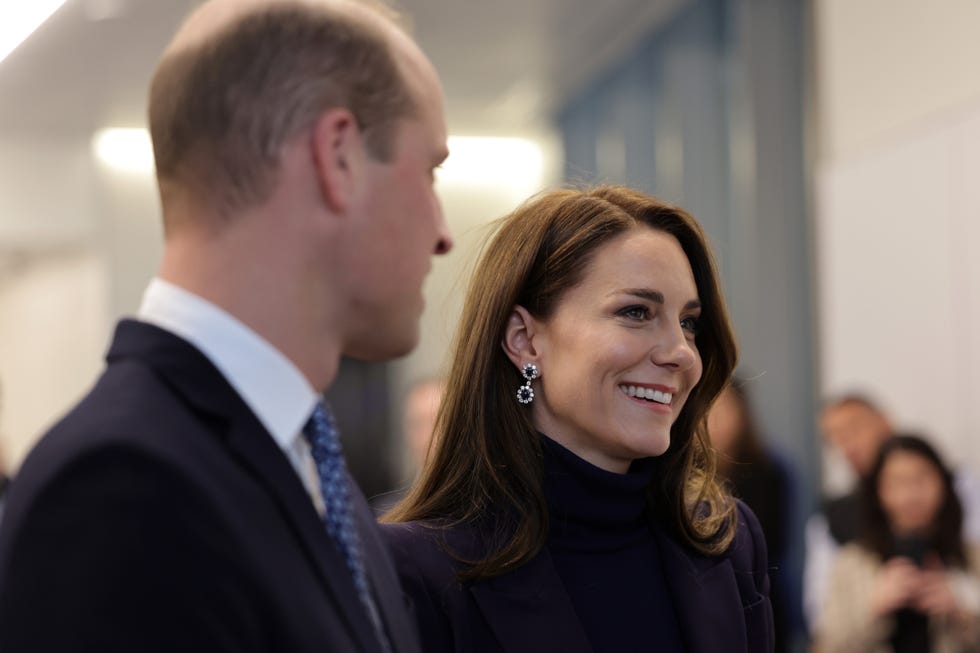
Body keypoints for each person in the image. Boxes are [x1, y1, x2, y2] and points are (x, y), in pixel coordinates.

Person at [0, 1, 452, 651]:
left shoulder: (307, 463)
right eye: (430, 172)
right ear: (338, 157)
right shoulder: (123, 491)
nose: (443, 232)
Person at [381, 186, 774, 653]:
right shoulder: (410, 571)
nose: (681, 353)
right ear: (525, 340)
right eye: (636, 312)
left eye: (688, 322)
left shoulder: (728, 542)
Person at [804, 396, 980, 631]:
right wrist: (873, 608)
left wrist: (963, 608)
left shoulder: (970, 549)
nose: (910, 495)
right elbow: (821, 626)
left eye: (854, 428)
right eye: (834, 438)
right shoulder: (844, 547)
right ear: (879, 495)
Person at [707, 379, 799, 652]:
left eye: (723, 408)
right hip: (711, 599)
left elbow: (772, 543)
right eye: (706, 410)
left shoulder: (767, 470)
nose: (713, 420)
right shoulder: (686, 475)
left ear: (742, 413)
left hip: (759, 592)